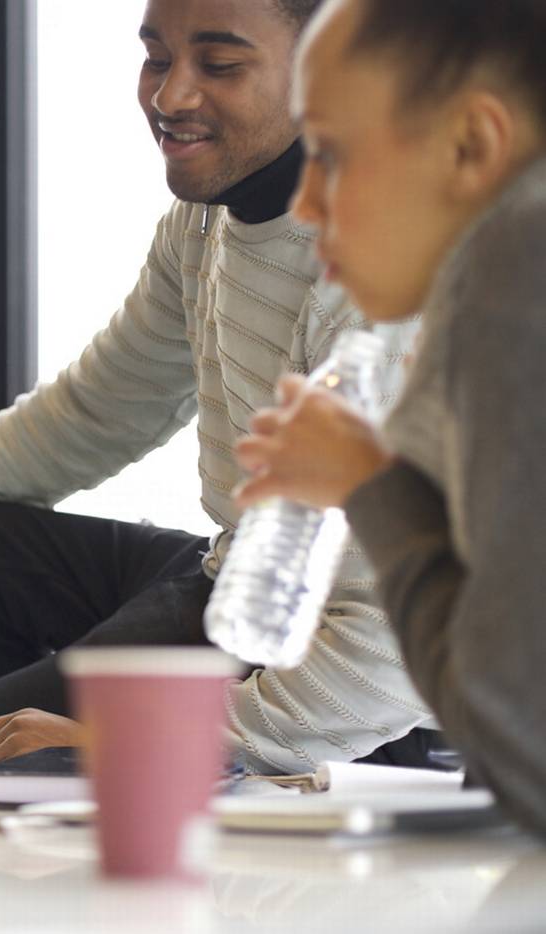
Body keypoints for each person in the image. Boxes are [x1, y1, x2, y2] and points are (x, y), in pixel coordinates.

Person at [0, 0, 437, 775]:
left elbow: (389, 652)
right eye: (157, 59)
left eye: (219, 65)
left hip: (352, 685)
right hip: (234, 582)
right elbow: (94, 413)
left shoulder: (383, 283)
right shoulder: (203, 224)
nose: (170, 96)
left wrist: (133, 749)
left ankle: (37, 780)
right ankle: (26, 792)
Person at [235, 0, 546, 834]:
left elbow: (520, 747)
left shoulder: (518, 258)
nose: (306, 204)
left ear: (472, 145)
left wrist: (372, 486)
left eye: (330, 154)